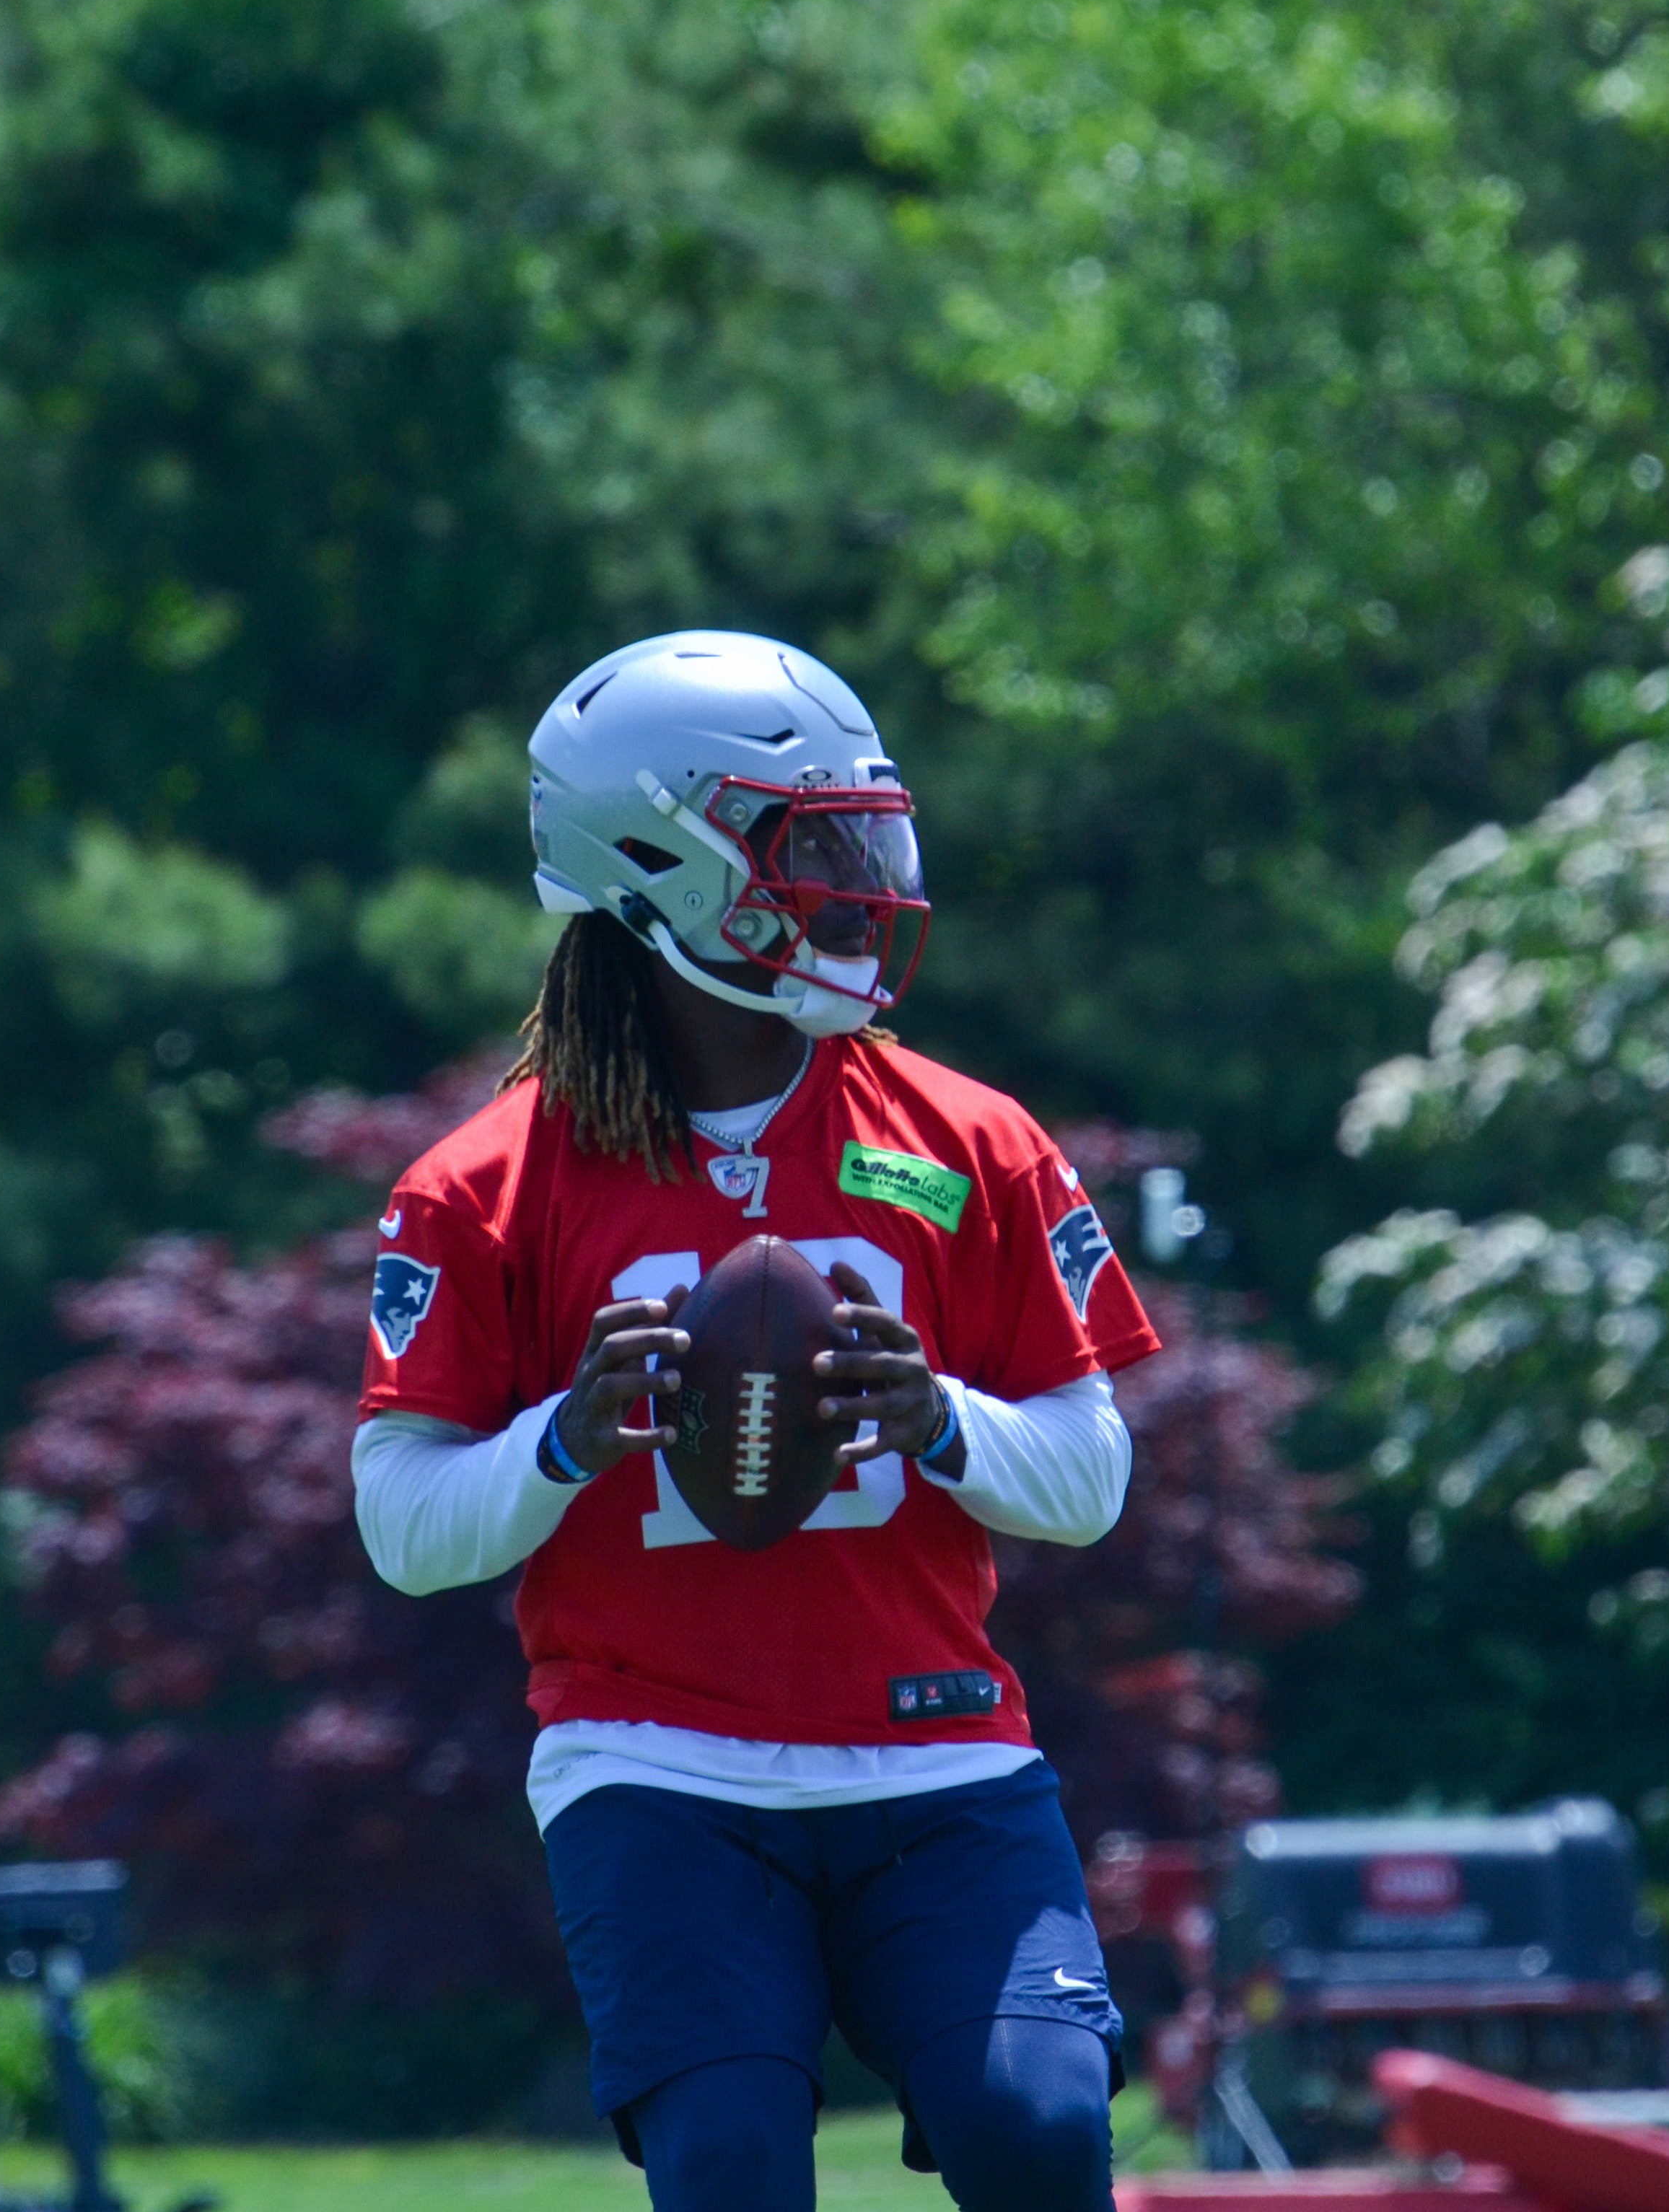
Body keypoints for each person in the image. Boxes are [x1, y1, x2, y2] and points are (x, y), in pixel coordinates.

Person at [352, 633, 1157, 2211]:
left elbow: (1090, 1478)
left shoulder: (969, 1138)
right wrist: (566, 1438)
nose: (862, 885)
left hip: (934, 1752)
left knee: (1041, 2130)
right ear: (659, 866)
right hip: (656, 1762)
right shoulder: (483, 1184)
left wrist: (938, 1421)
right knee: (726, 2170)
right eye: (812, 847)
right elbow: (403, 1527)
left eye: (866, 838)